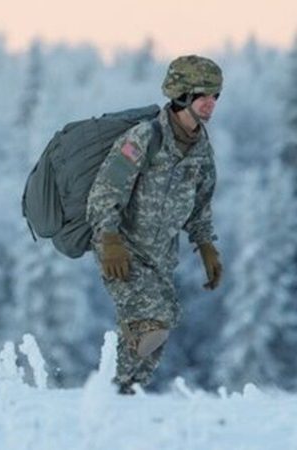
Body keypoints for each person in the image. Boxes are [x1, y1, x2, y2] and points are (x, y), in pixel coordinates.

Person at [86, 55, 224, 394]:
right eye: (202, 94)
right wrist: (110, 239)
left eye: (216, 95)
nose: (210, 103)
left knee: (157, 331)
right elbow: (105, 192)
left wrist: (206, 245)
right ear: (181, 96)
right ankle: (106, 391)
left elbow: (201, 204)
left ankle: (120, 393)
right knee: (151, 322)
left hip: (161, 253)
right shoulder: (144, 138)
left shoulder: (201, 150)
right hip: (122, 246)